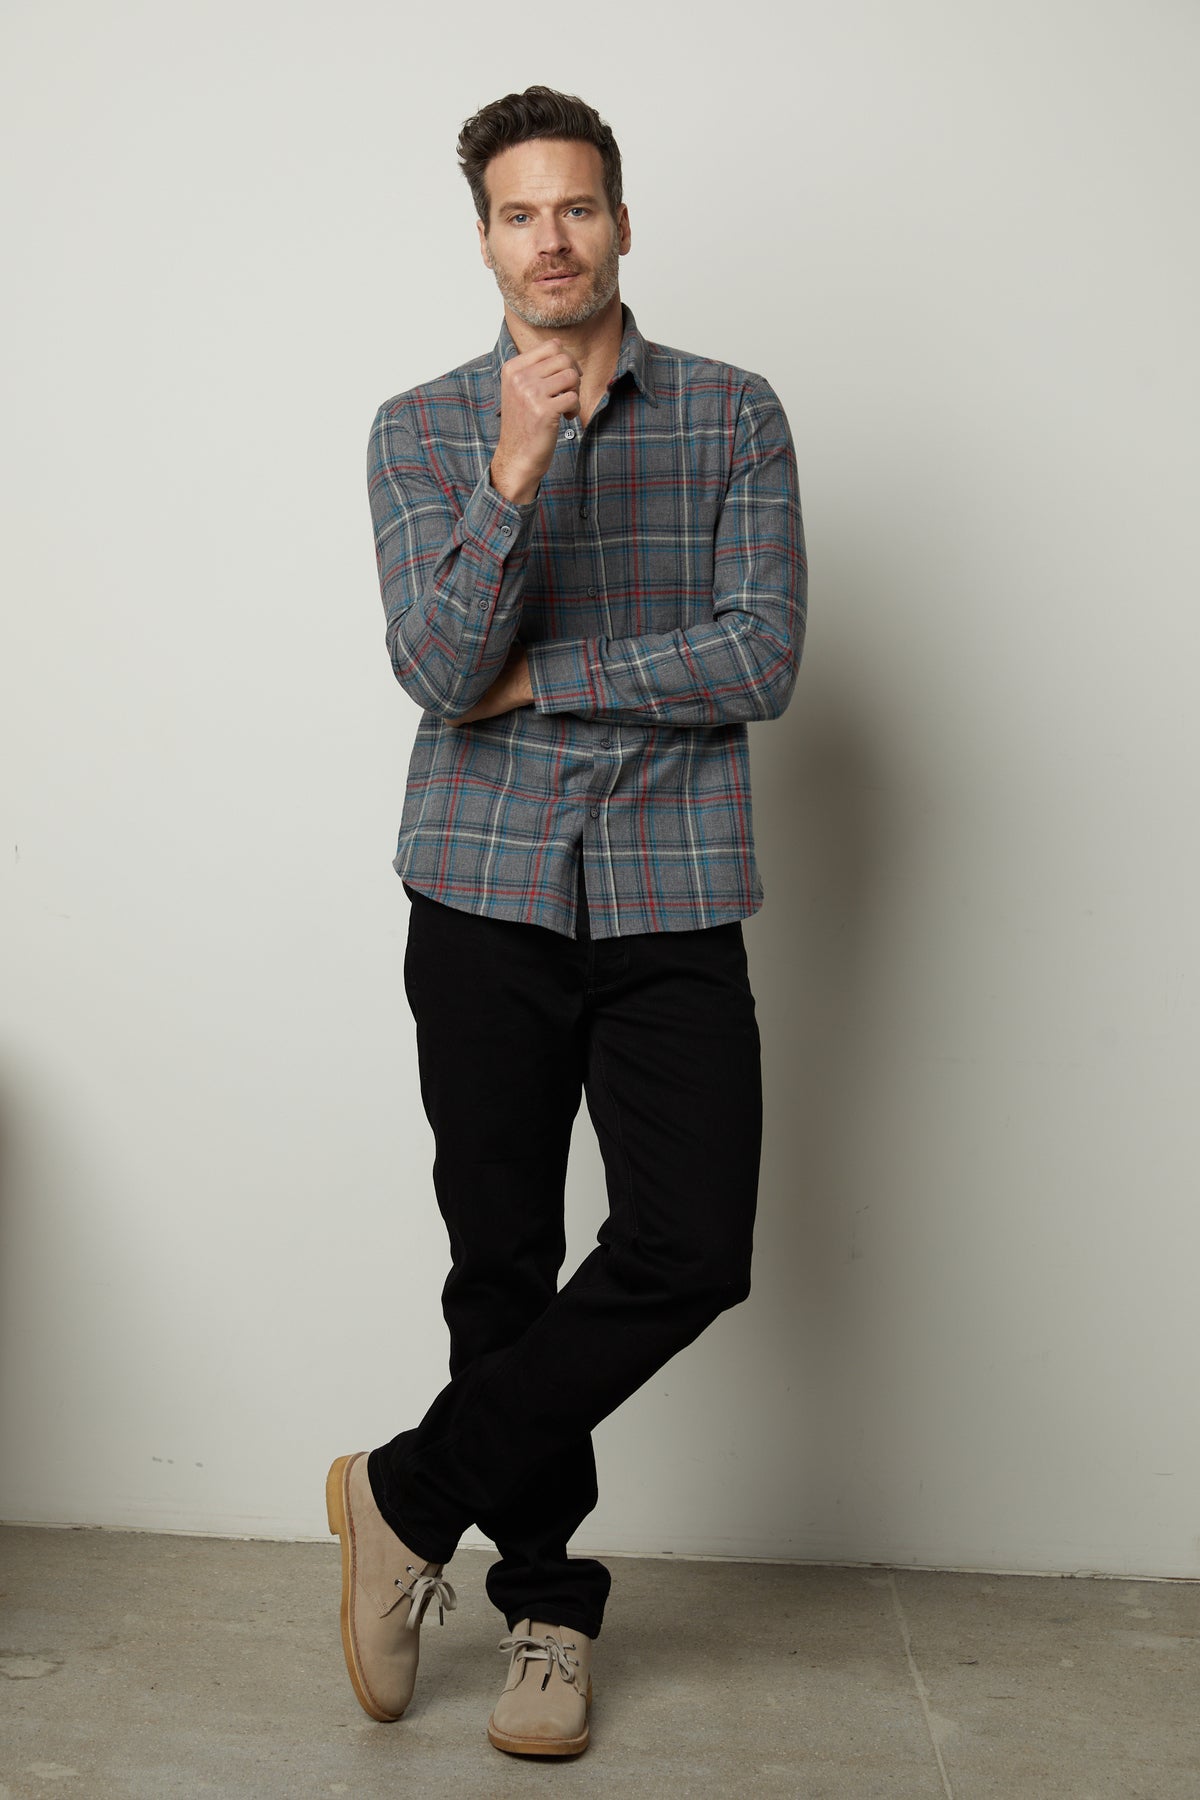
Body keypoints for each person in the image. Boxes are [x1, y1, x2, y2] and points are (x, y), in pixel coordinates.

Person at [327, 84, 806, 1761]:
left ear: (620, 222)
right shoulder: (419, 428)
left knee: (690, 1245)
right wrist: (516, 472)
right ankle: (546, 1609)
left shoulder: (737, 416)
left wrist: (560, 681)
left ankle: (399, 1494)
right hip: (480, 891)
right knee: (503, 1262)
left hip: (677, 894)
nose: (553, 239)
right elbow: (445, 676)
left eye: (578, 208)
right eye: (520, 214)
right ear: (485, 240)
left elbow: (764, 659)